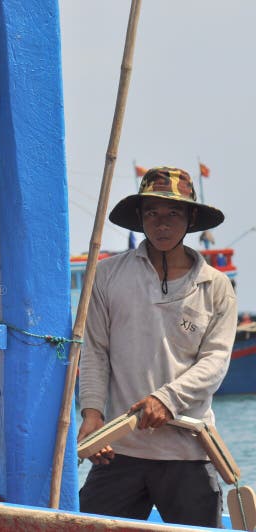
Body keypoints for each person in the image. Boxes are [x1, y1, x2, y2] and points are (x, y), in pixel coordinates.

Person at [78, 167, 237, 527]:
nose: (161, 224)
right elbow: (95, 351)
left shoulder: (216, 287)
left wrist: (166, 399)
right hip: (120, 450)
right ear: (140, 218)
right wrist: (91, 413)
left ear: (191, 217)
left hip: (190, 452)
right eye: (151, 213)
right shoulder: (108, 275)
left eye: (173, 214)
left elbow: (214, 363)